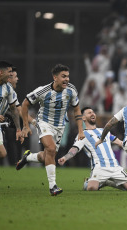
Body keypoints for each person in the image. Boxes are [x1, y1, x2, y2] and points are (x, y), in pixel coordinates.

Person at [16, 64, 85, 196]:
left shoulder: (71, 90)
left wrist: (80, 131)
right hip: (44, 123)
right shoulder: (43, 91)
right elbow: (24, 104)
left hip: (60, 126)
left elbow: (76, 109)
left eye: (68, 76)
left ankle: (28, 157)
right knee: (51, 149)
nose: (67, 79)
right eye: (63, 76)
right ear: (55, 77)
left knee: (48, 155)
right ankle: (53, 186)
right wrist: (26, 125)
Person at [58, 107, 127, 191]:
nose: (92, 114)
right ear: (83, 118)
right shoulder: (82, 134)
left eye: (93, 112)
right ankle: (92, 182)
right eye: (89, 113)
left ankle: (107, 182)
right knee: (91, 188)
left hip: (115, 166)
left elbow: (120, 143)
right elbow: (75, 149)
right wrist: (65, 157)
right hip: (99, 167)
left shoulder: (104, 131)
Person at [0, 61, 23, 166]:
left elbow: (13, 109)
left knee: (1, 154)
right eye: (9, 72)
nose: (11, 74)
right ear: (1, 72)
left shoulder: (8, 88)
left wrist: (18, 129)